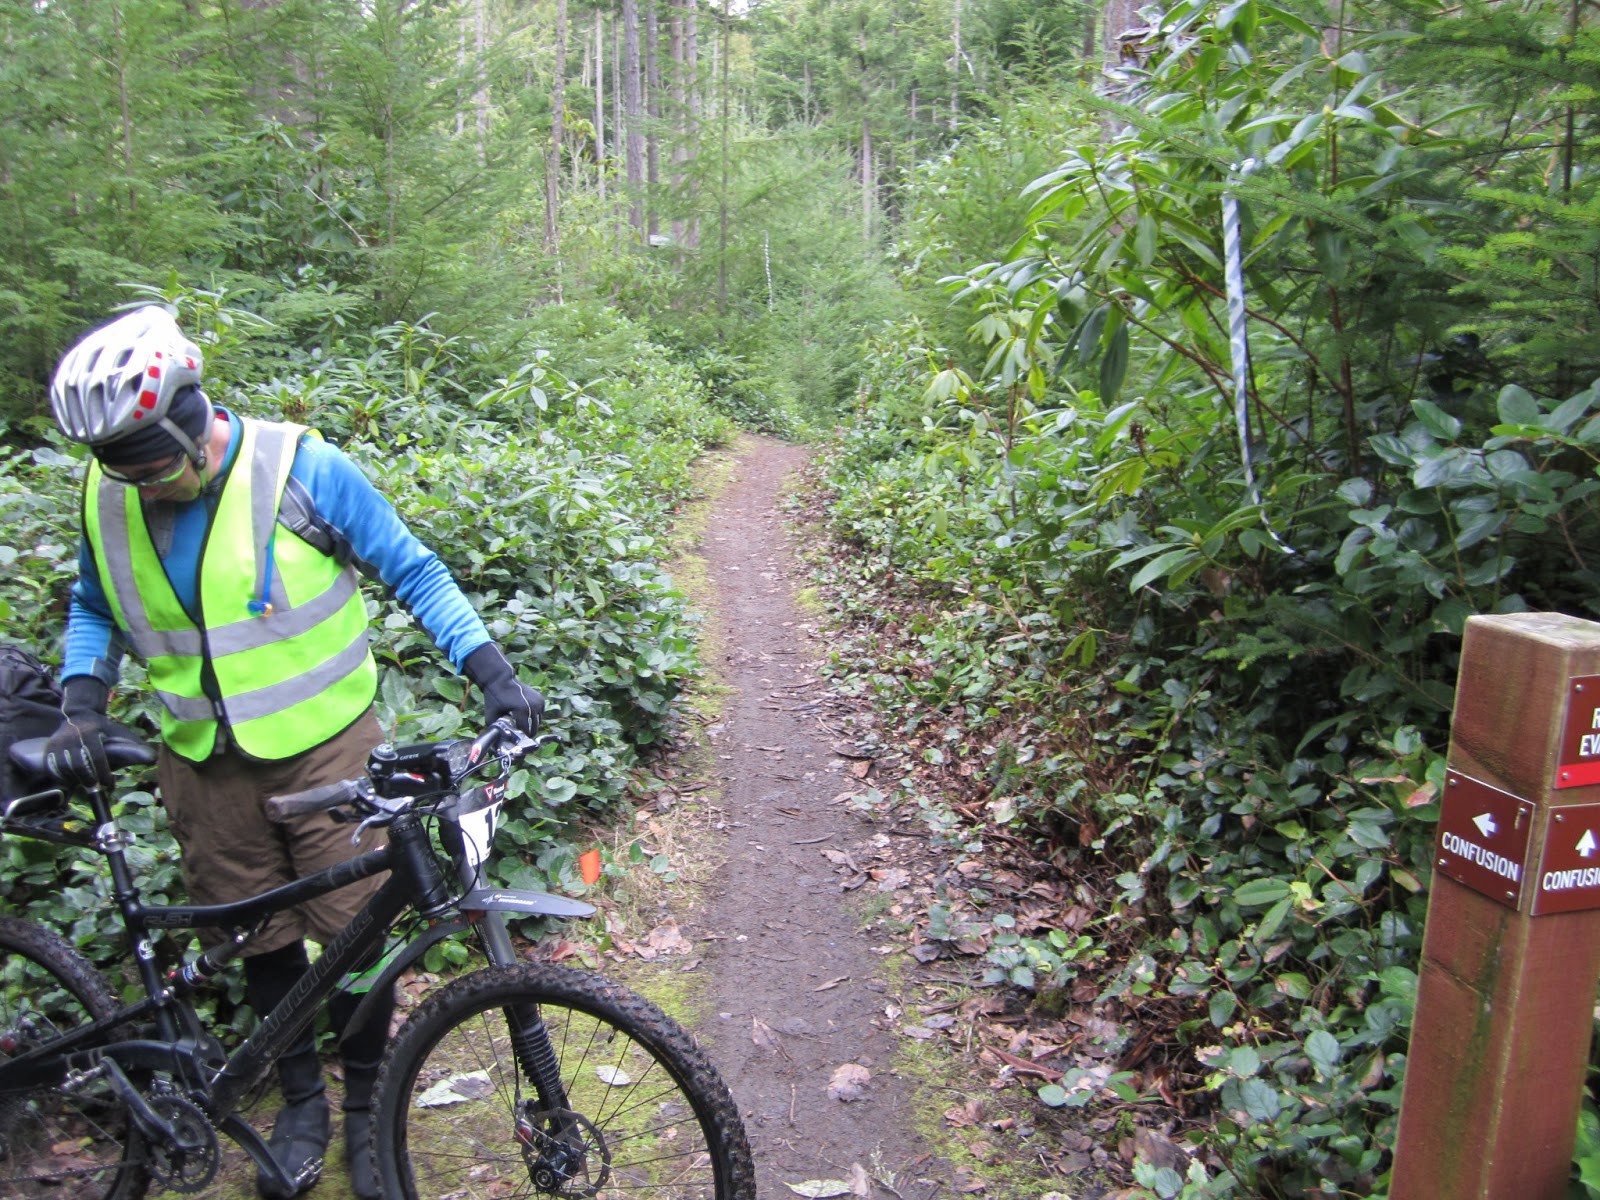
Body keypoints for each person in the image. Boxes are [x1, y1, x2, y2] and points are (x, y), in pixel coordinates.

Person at [42, 304, 544, 1200]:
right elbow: (94, 603)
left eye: (157, 464)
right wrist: (82, 700)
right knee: (255, 935)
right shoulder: (107, 494)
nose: (147, 487)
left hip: (328, 753)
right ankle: (300, 1103)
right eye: (125, 470)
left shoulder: (300, 468)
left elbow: (413, 567)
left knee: (357, 940)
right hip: (200, 761)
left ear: (192, 417)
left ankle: (365, 1109)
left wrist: (490, 669)